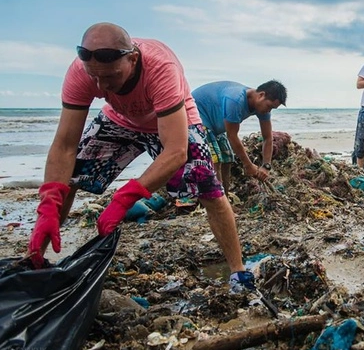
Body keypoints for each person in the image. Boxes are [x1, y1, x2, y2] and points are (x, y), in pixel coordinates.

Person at [27, 23, 255, 292]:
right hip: (120, 119)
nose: (101, 86)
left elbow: (175, 152)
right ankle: (34, 260)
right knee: (71, 176)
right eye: (95, 78)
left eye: (111, 77)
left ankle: (238, 271)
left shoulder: (161, 68)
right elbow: (65, 145)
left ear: (132, 59)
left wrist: (125, 197)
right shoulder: (81, 72)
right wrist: (49, 203)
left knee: (208, 189)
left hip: (173, 122)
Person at [191, 80, 287, 189]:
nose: (269, 110)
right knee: (215, 160)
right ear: (261, 95)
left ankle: (225, 199)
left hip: (214, 126)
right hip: (196, 116)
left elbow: (267, 138)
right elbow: (232, 136)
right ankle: (216, 201)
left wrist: (266, 166)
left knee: (228, 158)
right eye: (269, 106)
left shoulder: (262, 109)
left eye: (272, 108)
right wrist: (248, 165)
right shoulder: (235, 100)